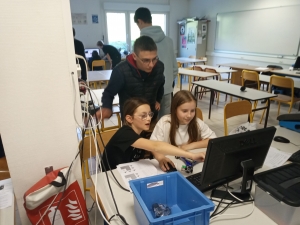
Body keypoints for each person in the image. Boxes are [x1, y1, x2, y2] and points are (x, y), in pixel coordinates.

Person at [101, 97, 206, 172]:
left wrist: (161, 159)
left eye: (149, 114)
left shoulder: (141, 132)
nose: (148, 118)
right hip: (110, 175)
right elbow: (156, 146)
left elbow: (149, 149)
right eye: (143, 116)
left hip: (127, 171)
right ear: (129, 119)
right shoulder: (125, 133)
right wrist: (192, 155)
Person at [99, 36, 165, 125]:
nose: (151, 65)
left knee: (151, 139)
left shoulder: (159, 67)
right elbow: (109, 93)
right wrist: (107, 107)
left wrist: (158, 99)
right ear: (134, 56)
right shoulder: (121, 70)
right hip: (131, 121)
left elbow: (161, 83)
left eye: (154, 59)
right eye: (146, 60)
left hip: (151, 119)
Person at [134, 7, 178, 118]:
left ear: (140, 21)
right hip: (167, 90)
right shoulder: (169, 41)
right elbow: (174, 69)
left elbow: (135, 72)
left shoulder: (139, 44)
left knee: (146, 125)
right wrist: (167, 83)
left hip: (147, 93)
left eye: (137, 24)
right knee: (165, 125)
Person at [150, 90, 216, 150]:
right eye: (184, 111)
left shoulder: (197, 122)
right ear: (175, 110)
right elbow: (153, 145)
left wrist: (190, 146)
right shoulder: (164, 122)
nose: (189, 115)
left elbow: (213, 140)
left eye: (192, 111)